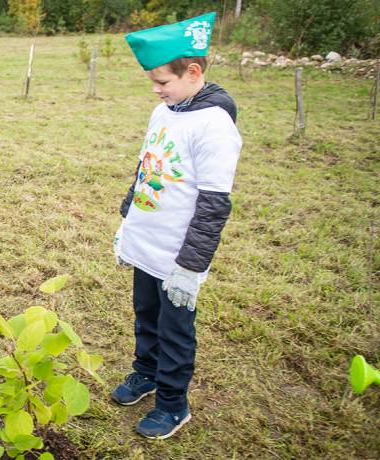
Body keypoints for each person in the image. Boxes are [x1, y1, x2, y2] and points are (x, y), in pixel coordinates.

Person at [111, 13, 242, 439]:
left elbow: (212, 205)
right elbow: (147, 166)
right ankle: (145, 373)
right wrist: (128, 219)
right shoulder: (164, 110)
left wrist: (190, 266)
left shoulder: (215, 127)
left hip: (179, 254)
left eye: (162, 81)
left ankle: (173, 403)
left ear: (193, 72)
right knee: (146, 315)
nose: (156, 89)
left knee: (175, 330)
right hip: (147, 242)